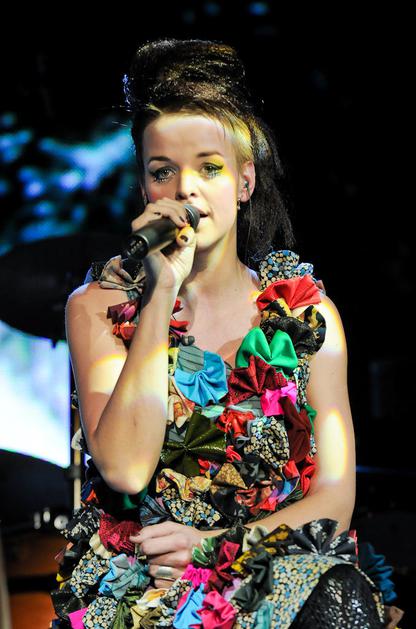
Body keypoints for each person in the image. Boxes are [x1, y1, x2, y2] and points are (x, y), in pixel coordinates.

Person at [49, 38, 403, 628]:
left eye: (209, 168)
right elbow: (126, 469)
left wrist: (216, 547)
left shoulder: (307, 316)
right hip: (149, 587)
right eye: (163, 171)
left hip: (269, 571)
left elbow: (334, 503)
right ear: (145, 189)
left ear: (244, 182)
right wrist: (161, 293)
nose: (185, 189)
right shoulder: (100, 308)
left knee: (338, 594)